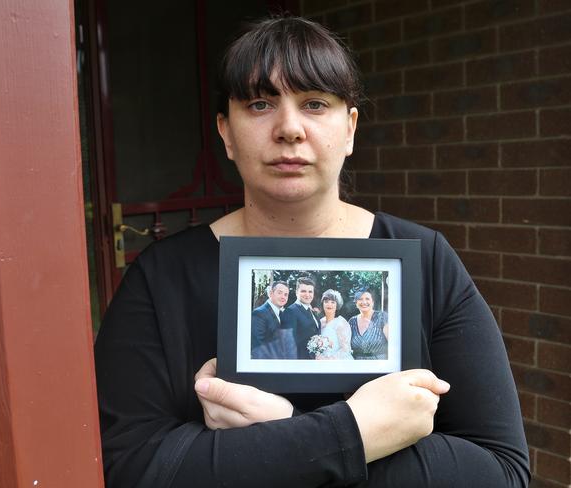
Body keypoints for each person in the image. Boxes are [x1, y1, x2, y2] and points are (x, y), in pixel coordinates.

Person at [94, 15, 530, 487]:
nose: (289, 128)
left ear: (350, 129)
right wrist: (355, 432)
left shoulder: (427, 261)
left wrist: (273, 439)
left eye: (315, 103)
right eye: (260, 103)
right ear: (225, 132)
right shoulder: (162, 278)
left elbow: (501, 471)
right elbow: (131, 469)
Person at [251, 280, 295, 359]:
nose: (283, 297)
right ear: (271, 293)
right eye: (279, 293)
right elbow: (258, 346)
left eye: (286, 294)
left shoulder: (282, 314)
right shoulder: (259, 313)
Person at [280, 277, 321, 359]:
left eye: (310, 291)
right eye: (303, 291)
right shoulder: (290, 311)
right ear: (296, 292)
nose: (307, 295)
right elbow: (288, 344)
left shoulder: (313, 313)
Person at [349, 289, 389, 360]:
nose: (364, 302)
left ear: (372, 302)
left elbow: (393, 344)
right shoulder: (352, 322)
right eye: (360, 299)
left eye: (367, 299)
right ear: (356, 303)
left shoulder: (383, 317)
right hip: (357, 367)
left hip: (379, 367)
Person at [316, 289, 354, 360]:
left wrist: (329, 359)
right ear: (323, 304)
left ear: (337, 305)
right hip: (322, 361)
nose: (329, 304)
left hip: (338, 362)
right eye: (326, 302)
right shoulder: (320, 322)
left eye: (333, 302)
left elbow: (346, 349)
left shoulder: (341, 322)